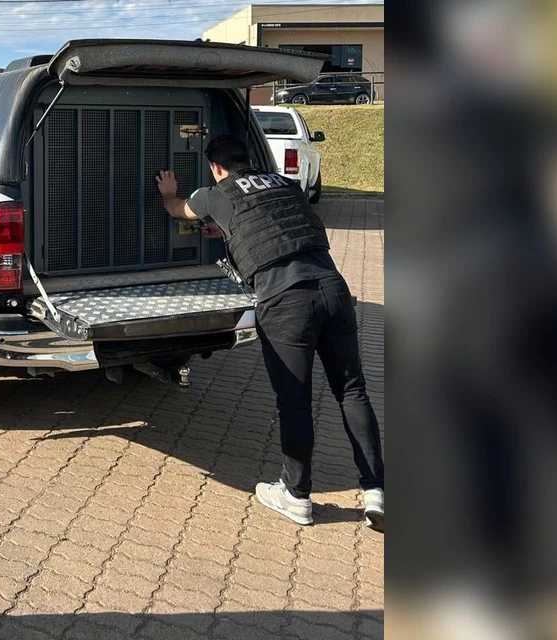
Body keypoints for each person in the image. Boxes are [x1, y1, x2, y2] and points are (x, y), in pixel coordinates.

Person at [155, 135, 385, 531]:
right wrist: (226, 233)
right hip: (334, 288)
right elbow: (273, 224)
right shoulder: (286, 183)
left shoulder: (213, 195)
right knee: (352, 391)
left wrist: (168, 192)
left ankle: (296, 496)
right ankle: (377, 491)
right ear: (249, 159)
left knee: (293, 401)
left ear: (217, 168)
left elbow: (178, 210)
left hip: (286, 302)